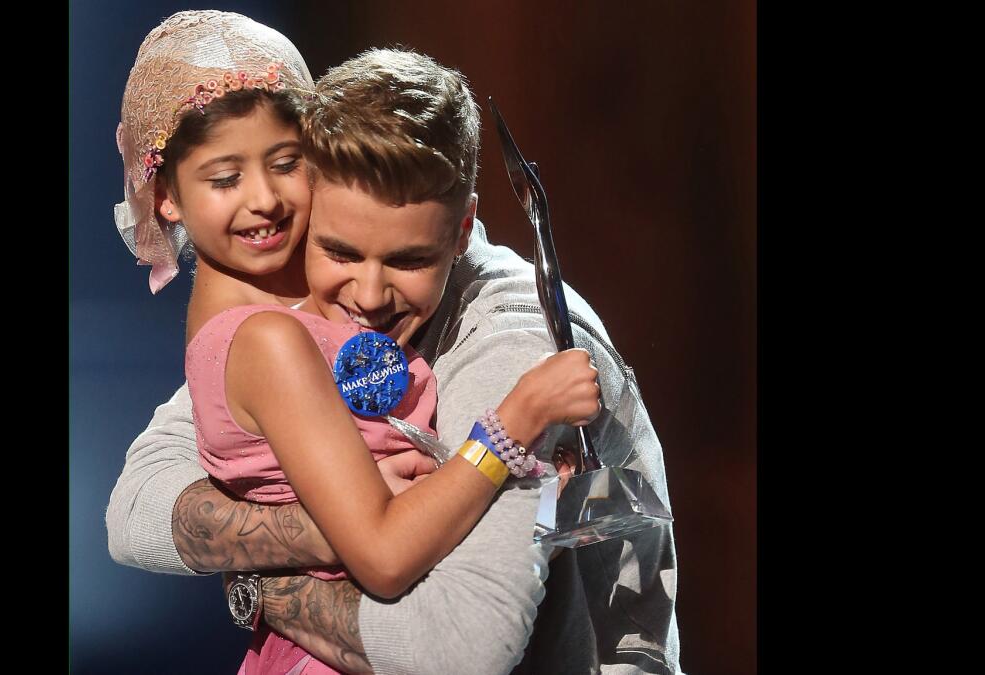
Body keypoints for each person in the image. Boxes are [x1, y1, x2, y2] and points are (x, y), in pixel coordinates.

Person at [108, 44, 683, 675]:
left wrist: (261, 576)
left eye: (408, 261)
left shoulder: (510, 337)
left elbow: (458, 650)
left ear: (462, 229)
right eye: (340, 251)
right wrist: (336, 531)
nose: (369, 294)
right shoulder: (283, 330)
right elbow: (134, 511)